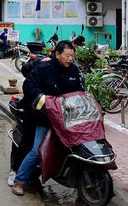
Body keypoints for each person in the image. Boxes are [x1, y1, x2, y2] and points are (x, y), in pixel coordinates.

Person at [11, 40, 84, 196]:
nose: (70, 59)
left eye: (72, 56)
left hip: (66, 116)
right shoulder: (43, 68)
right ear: (57, 54)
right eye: (67, 55)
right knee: (39, 150)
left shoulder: (73, 70)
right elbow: (29, 85)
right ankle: (20, 180)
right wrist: (42, 98)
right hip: (44, 116)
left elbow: (79, 90)